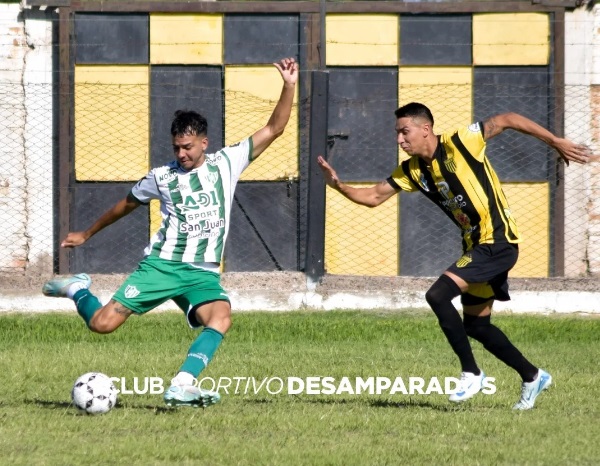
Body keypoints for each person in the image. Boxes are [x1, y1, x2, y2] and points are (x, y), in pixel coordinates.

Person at [43, 57, 299, 408]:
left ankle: (182, 383)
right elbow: (126, 203)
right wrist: (87, 234)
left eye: (188, 147)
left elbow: (275, 128)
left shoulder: (228, 162)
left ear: (204, 143)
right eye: (176, 147)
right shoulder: (161, 176)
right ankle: (76, 288)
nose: (181, 154)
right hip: (163, 266)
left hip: (201, 273)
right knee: (102, 325)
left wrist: (288, 86)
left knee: (221, 316)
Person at [318, 102, 592, 410]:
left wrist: (556, 142)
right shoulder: (412, 170)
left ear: (426, 129)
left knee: (437, 295)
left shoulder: (460, 143)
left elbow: (507, 118)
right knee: (477, 326)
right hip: (476, 247)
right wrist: (338, 185)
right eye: (397, 133)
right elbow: (373, 197)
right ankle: (532, 376)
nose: (400, 140)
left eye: (404, 132)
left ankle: (471, 372)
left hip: (497, 241)